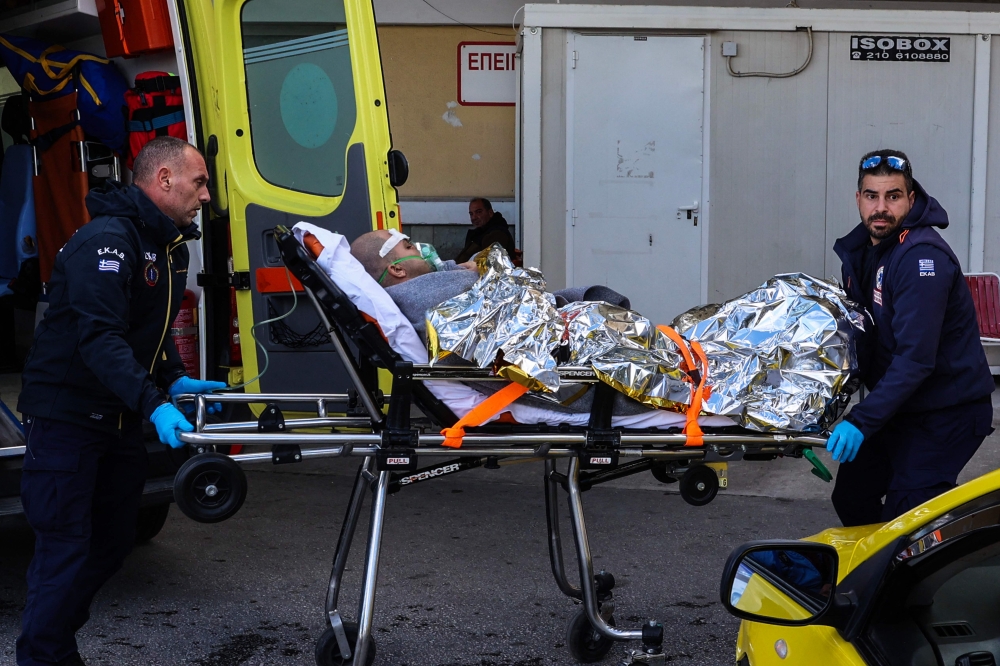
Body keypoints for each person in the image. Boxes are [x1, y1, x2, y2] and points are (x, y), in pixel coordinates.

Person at [16, 136, 226, 666]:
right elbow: (101, 339)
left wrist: (174, 379)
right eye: (199, 182)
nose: (205, 195)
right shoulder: (108, 240)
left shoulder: (162, 242)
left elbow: (147, 330)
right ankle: (44, 655)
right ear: (164, 180)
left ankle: (52, 642)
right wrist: (154, 403)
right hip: (68, 419)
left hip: (115, 419)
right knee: (64, 548)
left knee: (111, 542)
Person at [827, 149, 995, 527]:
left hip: (946, 413)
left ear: (911, 199)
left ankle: (907, 577)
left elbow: (915, 359)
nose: (881, 207)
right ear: (859, 199)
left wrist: (862, 419)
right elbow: (862, 338)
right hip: (904, 407)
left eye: (893, 196)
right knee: (852, 496)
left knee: (906, 520)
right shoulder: (864, 253)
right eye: (872, 196)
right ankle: (876, 580)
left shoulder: (922, 259)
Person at [454, 197, 516, 263]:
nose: (474, 217)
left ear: (490, 213)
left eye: (478, 212)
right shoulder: (480, 232)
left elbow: (486, 264)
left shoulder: (497, 234)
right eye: (471, 214)